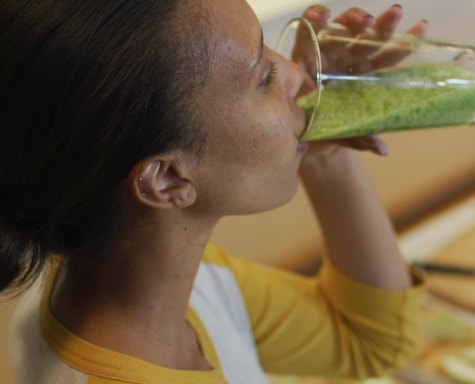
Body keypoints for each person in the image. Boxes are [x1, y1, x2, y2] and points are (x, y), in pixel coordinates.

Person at [1, 1, 428, 383]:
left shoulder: (130, 281)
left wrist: (323, 143)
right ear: (167, 179)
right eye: (264, 77)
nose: (299, 75)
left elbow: (368, 341)